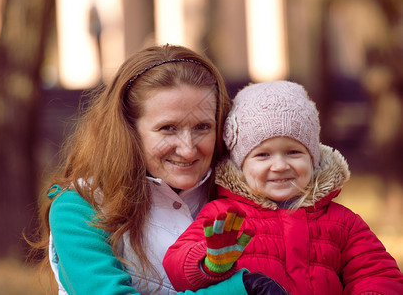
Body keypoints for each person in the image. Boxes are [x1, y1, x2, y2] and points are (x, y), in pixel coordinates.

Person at [35, 44, 282, 295]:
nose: (187, 149)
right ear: (129, 130)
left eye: (202, 127)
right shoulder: (80, 207)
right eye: (168, 128)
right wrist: (241, 290)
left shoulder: (247, 196)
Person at [163, 81, 403, 294]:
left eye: (293, 152)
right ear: (240, 164)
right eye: (263, 155)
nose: (279, 165)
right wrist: (208, 263)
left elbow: (377, 273)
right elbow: (176, 268)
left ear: (313, 159)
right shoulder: (224, 216)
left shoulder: (343, 222)